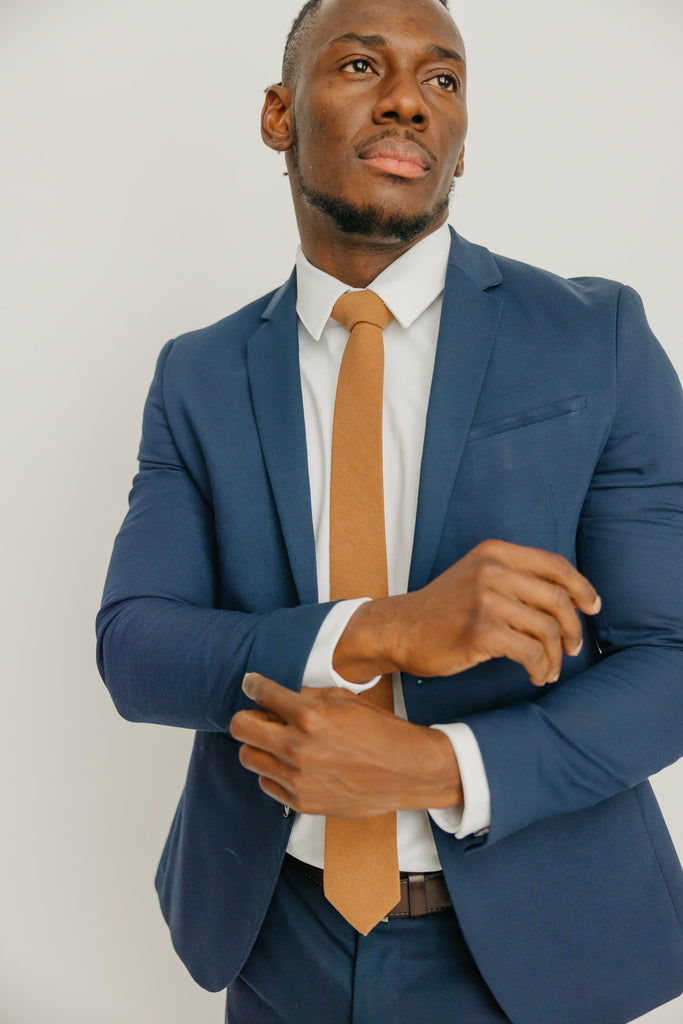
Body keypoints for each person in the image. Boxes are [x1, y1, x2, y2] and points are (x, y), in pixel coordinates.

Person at [96, 0, 683, 1021]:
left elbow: (671, 659)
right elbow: (137, 648)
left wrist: (435, 766)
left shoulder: (593, 337)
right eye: (361, 65)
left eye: (441, 80)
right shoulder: (199, 374)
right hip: (275, 938)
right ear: (279, 114)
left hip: (535, 952)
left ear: (460, 137)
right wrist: (380, 630)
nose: (409, 100)